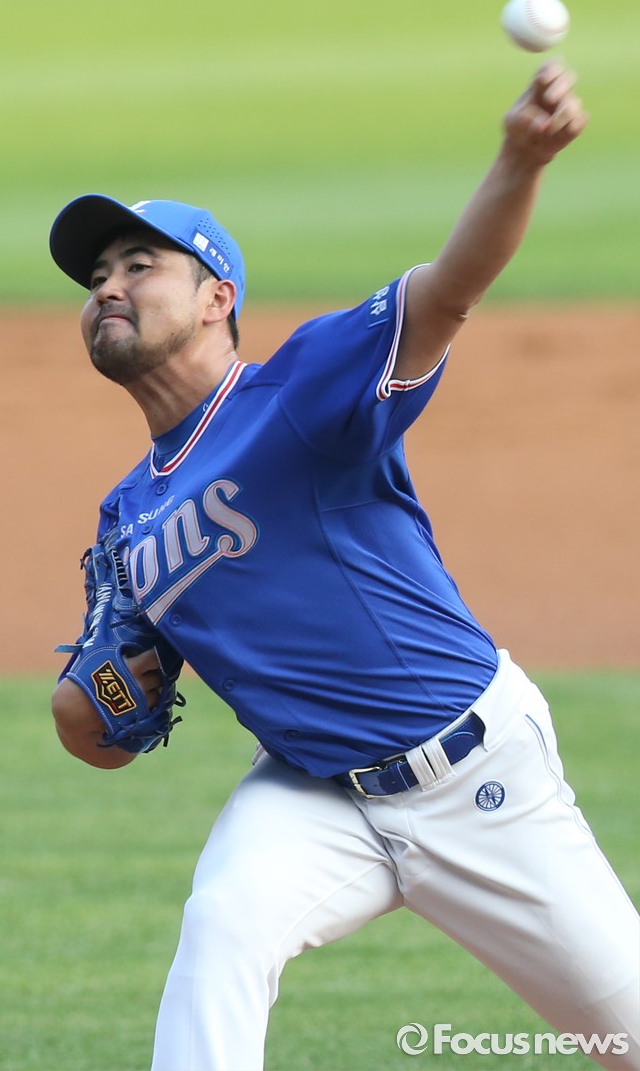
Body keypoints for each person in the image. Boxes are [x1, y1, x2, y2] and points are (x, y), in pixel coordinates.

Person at [49, 61, 639, 1071]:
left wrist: (520, 158)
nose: (107, 285)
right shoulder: (127, 517)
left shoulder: (301, 389)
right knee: (223, 923)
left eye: (139, 264)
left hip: (476, 775)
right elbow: (96, 729)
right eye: (97, 275)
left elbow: (448, 291)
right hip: (313, 795)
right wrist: (99, 691)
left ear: (216, 298)